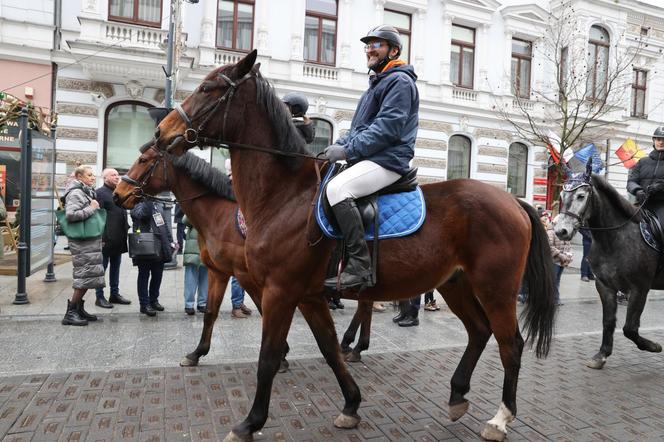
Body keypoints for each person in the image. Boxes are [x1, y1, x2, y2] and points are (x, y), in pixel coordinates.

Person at [322, 25, 419, 292]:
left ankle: (359, 266)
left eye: (377, 45)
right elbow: (358, 130)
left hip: (389, 160)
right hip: (372, 157)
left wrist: (348, 152)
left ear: (394, 50)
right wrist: (336, 146)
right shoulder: (377, 84)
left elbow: (387, 128)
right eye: (368, 45)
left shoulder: (399, 81)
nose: (370, 50)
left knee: (338, 189)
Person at [62, 165, 105, 326]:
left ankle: (78, 309)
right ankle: (71, 312)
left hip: (89, 241)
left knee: (88, 277)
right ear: (79, 177)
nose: (93, 177)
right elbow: (71, 215)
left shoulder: (85, 192)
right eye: (89, 175)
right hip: (82, 243)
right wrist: (92, 208)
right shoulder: (75, 193)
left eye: (93, 175)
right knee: (84, 276)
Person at [130, 200, 176, 316]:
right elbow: (142, 215)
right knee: (144, 276)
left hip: (158, 247)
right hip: (144, 247)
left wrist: (170, 241)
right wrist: (148, 201)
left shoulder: (158, 204)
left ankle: (154, 300)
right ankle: (144, 304)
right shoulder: (137, 204)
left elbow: (163, 225)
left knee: (157, 275)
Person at [94, 168, 131, 308]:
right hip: (106, 238)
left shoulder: (118, 191)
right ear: (105, 178)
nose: (117, 177)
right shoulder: (100, 193)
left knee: (116, 268)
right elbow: (97, 217)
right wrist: (100, 237)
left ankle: (114, 294)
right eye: (113, 175)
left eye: (117, 174)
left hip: (119, 237)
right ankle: (99, 296)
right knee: (101, 269)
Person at [627, 126, 664, 223]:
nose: (661, 142)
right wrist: (637, 190)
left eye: (663, 140)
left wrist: (660, 186)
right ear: (654, 141)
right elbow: (631, 181)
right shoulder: (642, 161)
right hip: (641, 204)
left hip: (661, 205)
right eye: (658, 139)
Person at [182, 215, 208, 315]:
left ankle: (202, 303)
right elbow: (185, 220)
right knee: (190, 277)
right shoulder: (193, 203)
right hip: (193, 245)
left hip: (207, 244)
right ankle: (189, 304)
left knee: (205, 277)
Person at [545, 214, 572, 306]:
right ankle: (554, 299)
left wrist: (569, 255)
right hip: (553, 261)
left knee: (557, 280)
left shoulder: (563, 233)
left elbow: (568, 245)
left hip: (561, 262)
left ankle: (554, 298)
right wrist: (560, 254)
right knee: (553, 280)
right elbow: (549, 246)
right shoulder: (550, 232)